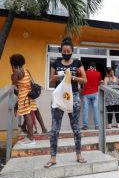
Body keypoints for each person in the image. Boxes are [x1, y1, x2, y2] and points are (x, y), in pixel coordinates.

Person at [45, 37, 87, 168]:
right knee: (55, 128)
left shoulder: (78, 63)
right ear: (61, 51)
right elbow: (50, 81)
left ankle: (79, 155)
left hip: (73, 96)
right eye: (64, 51)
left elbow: (84, 80)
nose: (66, 53)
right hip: (58, 96)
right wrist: (58, 77)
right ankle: (53, 157)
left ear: (72, 51)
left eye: (69, 51)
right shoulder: (55, 63)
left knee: (76, 127)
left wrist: (72, 77)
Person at [10, 54, 37, 145]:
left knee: (27, 116)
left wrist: (13, 74)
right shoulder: (26, 70)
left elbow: (14, 85)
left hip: (23, 96)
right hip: (29, 95)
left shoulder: (16, 72)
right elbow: (31, 82)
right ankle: (29, 136)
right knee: (28, 115)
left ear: (13, 64)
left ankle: (31, 138)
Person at [82, 61, 101, 130]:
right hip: (95, 93)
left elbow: (82, 80)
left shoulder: (85, 73)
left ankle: (85, 125)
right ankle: (97, 125)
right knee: (96, 109)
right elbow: (99, 82)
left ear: (88, 67)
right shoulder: (98, 73)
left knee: (85, 110)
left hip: (86, 93)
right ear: (95, 67)